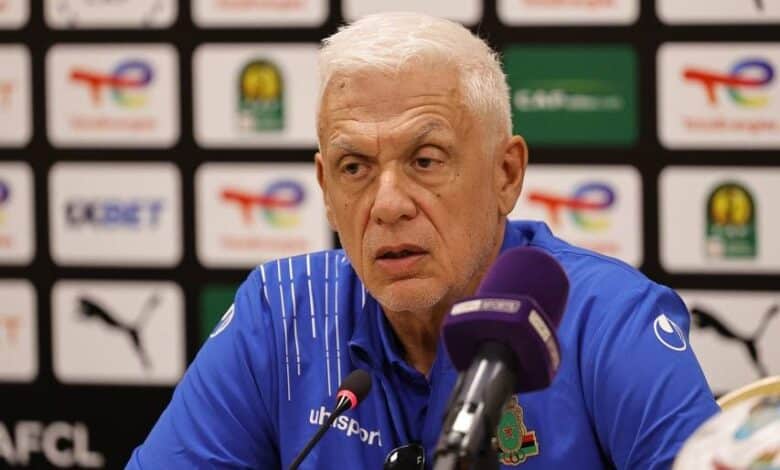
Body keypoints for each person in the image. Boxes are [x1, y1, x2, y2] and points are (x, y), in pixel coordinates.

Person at [127, 12, 719, 469]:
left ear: (506, 174)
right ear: (325, 190)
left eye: (426, 160)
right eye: (355, 167)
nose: (388, 204)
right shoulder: (282, 312)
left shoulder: (604, 317)